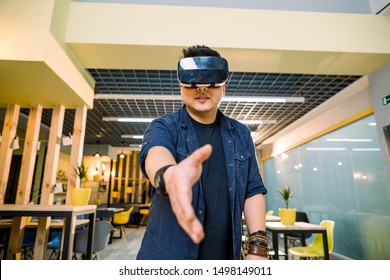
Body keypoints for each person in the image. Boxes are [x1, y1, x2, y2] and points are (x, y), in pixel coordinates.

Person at [136, 45, 268, 260]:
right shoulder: (164, 127)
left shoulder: (241, 134)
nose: (202, 88)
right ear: (181, 86)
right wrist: (168, 176)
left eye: (211, 82)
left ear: (223, 87)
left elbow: (252, 191)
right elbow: (156, 153)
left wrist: (258, 247)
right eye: (194, 82)